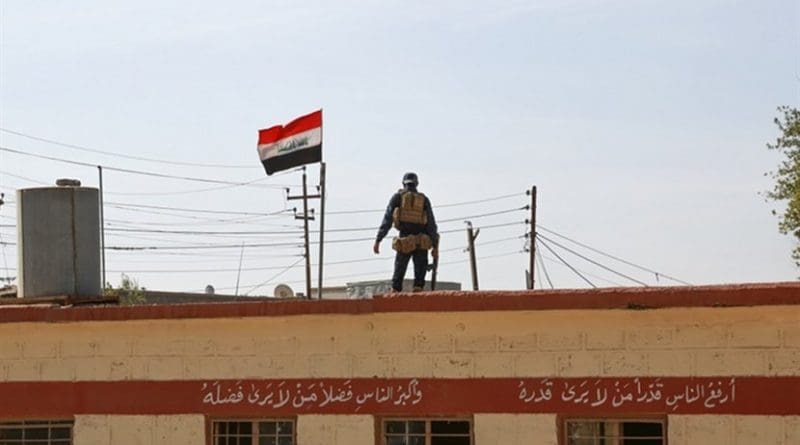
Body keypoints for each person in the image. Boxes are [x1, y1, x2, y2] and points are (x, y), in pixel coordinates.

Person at [373, 172, 439, 292]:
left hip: (404, 241)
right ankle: (418, 296)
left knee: (398, 276)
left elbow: (387, 219)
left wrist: (378, 240)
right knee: (419, 281)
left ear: (403, 183)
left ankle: (395, 297)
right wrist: (435, 246)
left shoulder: (397, 197)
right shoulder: (424, 200)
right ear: (417, 183)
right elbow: (431, 225)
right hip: (421, 242)